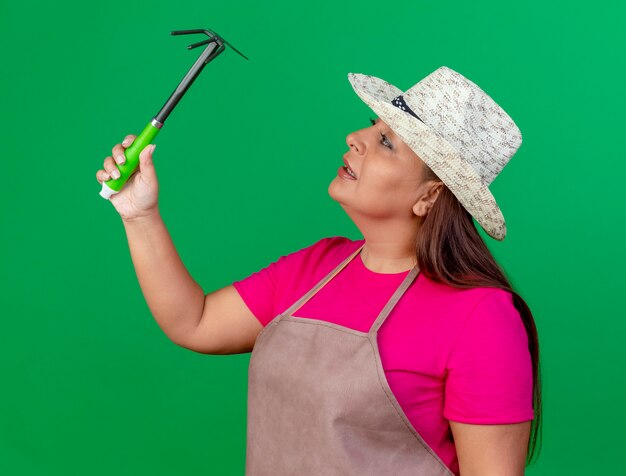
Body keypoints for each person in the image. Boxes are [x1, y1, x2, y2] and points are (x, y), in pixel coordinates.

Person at [96, 66, 541, 476]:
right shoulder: (318, 265)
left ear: (429, 196)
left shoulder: (482, 318)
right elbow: (194, 322)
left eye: (387, 142)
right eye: (372, 126)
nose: (354, 137)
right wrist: (139, 214)